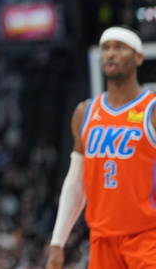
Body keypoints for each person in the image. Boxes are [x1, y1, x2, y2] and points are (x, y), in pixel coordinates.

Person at [46, 26, 156, 269]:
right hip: (102, 240)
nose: (110, 54)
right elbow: (75, 182)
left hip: (148, 238)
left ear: (138, 57)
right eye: (106, 48)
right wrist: (57, 242)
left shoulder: (152, 110)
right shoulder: (84, 113)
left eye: (119, 48)